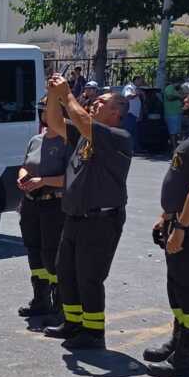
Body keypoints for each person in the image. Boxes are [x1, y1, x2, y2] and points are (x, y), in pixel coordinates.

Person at [42, 74, 132, 350]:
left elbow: (83, 121)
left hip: (101, 219)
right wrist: (55, 97)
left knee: (89, 277)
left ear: (116, 112)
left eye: (102, 101)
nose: (94, 102)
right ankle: (73, 324)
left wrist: (68, 94)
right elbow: (54, 123)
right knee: (65, 272)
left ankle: (94, 334)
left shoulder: (117, 137)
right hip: (76, 216)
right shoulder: (85, 134)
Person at [143, 132, 189, 376]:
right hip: (178, 222)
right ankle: (179, 341)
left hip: (188, 227)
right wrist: (166, 217)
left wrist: (181, 228)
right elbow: (180, 183)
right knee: (177, 288)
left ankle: (187, 356)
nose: (185, 98)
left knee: (188, 291)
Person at [17, 97, 69, 322]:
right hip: (31, 203)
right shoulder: (36, 139)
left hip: (53, 205)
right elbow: (25, 165)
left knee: (52, 255)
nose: (43, 114)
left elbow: (70, 178)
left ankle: (59, 307)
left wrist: (42, 180)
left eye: (47, 110)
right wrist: (23, 176)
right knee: (34, 251)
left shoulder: (68, 141)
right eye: (42, 110)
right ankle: (40, 299)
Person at [164, 77, 184, 152]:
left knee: (177, 132)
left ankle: (178, 148)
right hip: (171, 114)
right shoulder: (169, 87)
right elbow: (169, 97)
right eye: (180, 83)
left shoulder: (176, 89)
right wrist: (179, 96)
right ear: (176, 82)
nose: (180, 85)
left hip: (177, 113)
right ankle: (174, 148)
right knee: (173, 132)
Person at [123, 82, 143, 154]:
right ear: (136, 80)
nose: (142, 81)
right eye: (140, 79)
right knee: (128, 133)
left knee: (134, 134)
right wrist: (137, 94)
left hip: (135, 115)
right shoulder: (129, 87)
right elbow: (127, 96)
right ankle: (125, 149)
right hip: (129, 114)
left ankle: (135, 149)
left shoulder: (136, 89)